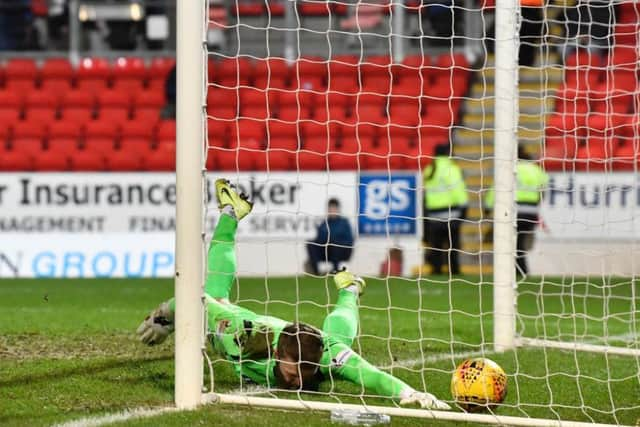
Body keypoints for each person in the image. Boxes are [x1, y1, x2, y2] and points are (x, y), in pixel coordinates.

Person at [136, 179, 450, 410]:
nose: (298, 382)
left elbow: (372, 376)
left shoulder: (325, 355)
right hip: (222, 323)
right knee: (215, 289)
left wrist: (410, 393)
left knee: (341, 343)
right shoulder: (242, 334)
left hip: (312, 341)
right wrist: (167, 313)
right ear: (277, 355)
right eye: (294, 370)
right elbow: (203, 302)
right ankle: (231, 212)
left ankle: (350, 289)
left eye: (305, 372)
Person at [484, 146, 549, 276]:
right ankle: (520, 270)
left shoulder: (509, 170)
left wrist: (488, 207)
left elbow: (496, 189)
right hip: (531, 212)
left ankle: (518, 271)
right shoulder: (537, 170)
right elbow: (543, 190)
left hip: (513, 211)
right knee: (519, 241)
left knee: (512, 243)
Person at [422, 143, 468, 275]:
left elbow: (426, 193)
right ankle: (454, 270)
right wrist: (463, 207)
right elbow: (458, 190)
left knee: (436, 246)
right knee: (453, 245)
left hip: (434, 214)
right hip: (451, 212)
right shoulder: (451, 169)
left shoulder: (429, 169)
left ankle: (436, 270)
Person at [304, 198, 354, 276]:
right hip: (327, 251)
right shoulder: (324, 223)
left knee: (334, 244)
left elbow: (349, 240)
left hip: (342, 251)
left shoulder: (344, 223)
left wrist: (334, 241)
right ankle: (316, 272)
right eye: (330, 208)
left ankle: (335, 270)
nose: (332, 210)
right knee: (310, 243)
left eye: (334, 208)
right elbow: (319, 240)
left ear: (338, 209)